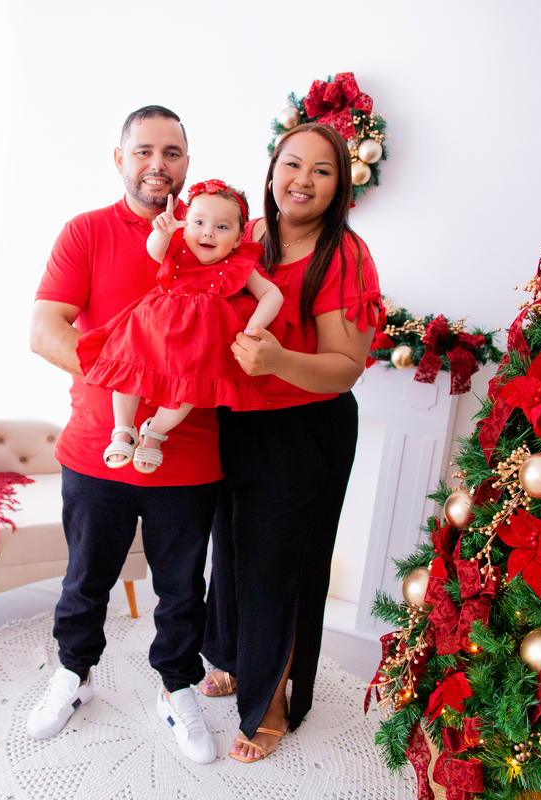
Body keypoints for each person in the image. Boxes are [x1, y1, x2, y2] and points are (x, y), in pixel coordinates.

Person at [28, 105, 221, 764]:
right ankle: (73, 675)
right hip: (96, 448)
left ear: (187, 163)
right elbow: (44, 331)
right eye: (143, 151)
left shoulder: (212, 232)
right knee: (85, 581)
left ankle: (177, 687)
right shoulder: (86, 232)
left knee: (181, 590)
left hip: (189, 455)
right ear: (120, 159)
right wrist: (127, 374)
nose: (157, 165)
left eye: (171, 152)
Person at [199, 123, 384, 763]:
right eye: (292, 164)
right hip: (235, 420)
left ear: (340, 186)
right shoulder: (246, 233)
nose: (302, 180)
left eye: (322, 170)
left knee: (277, 568)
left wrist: (278, 360)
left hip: (305, 430)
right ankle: (231, 659)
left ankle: (272, 701)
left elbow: (345, 368)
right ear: (272, 169)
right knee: (230, 550)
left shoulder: (345, 255)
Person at [77, 180, 283, 474]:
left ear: (239, 238)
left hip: (196, 345)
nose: (208, 232)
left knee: (188, 392)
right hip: (151, 329)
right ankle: (123, 429)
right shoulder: (177, 248)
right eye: (198, 222)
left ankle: (154, 432)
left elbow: (272, 294)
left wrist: (252, 330)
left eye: (222, 227)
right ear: (184, 226)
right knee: (126, 370)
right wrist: (162, 232)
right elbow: (153, 251)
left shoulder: (239, 264)